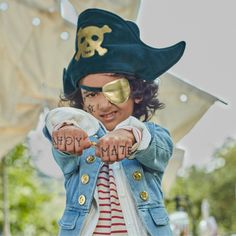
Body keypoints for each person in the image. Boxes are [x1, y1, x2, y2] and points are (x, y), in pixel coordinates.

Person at [43, 8, 186, 236]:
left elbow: (159, 150)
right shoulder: (78, 143)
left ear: (137, 91)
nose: (102, 105)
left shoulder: (151, 137)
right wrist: (65, 130)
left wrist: (129, 136)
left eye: (114, 90)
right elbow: (56, 123)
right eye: (91, 94)